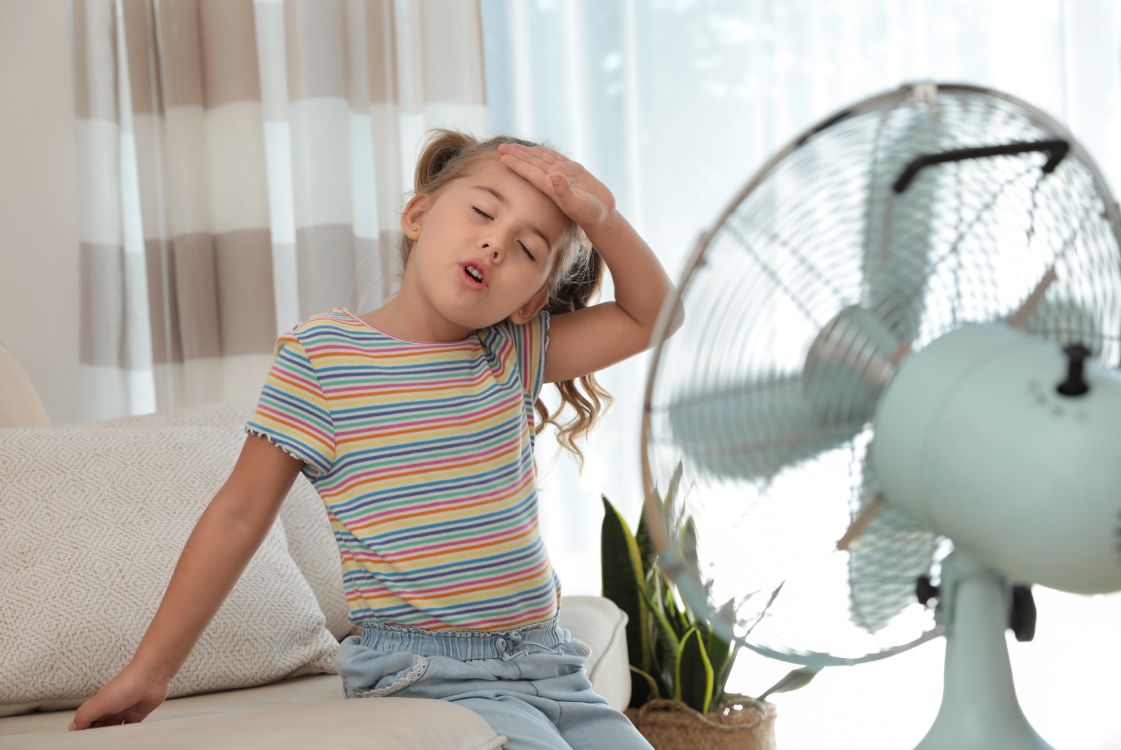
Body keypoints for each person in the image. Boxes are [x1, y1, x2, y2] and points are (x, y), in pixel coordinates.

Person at [69, 129, 683, 750]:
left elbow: (656, 313)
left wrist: (600, 216)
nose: (496, 243)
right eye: (481, 212)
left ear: (530, 303)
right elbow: (237, 514)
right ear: (418, 216)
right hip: (429, 673)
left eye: (527, 248)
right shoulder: (322, 357)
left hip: (549, 667)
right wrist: (151, 671)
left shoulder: (514, 350)